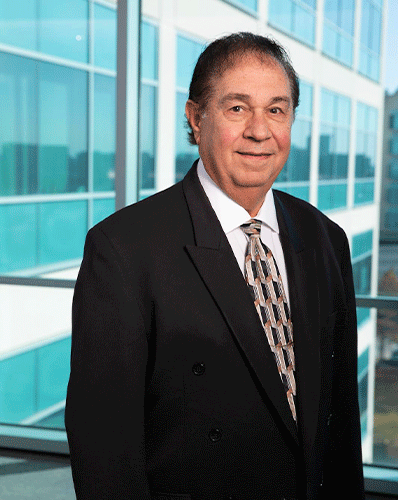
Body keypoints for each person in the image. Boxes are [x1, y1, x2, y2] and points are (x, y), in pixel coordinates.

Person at [65, 32, 365, 500]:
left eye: (276, 109)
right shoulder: (123, 249)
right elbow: (105, 452)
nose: (260, 131)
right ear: (195, 116)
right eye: (237, 108)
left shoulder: (325, 238)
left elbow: (340, 422)